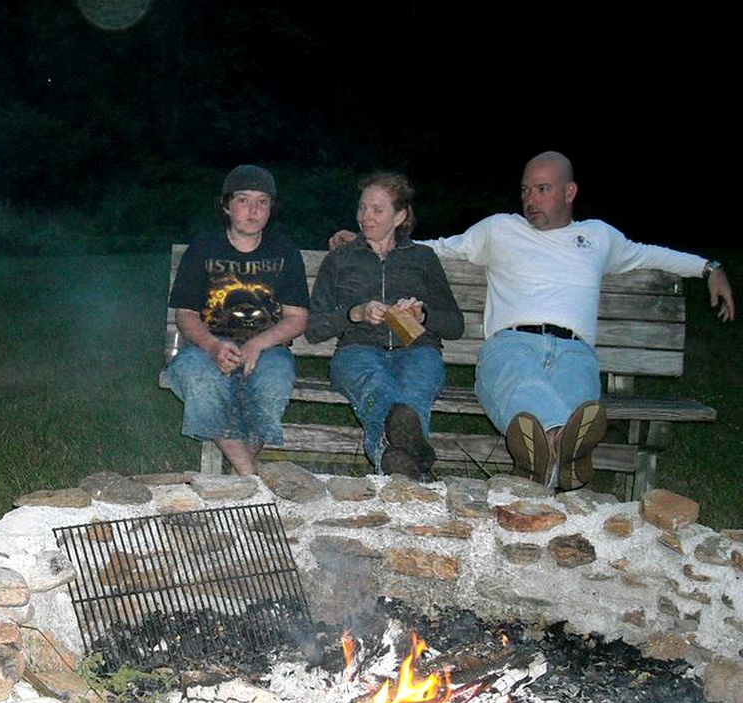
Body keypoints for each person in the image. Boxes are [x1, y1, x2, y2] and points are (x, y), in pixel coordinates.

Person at [332, 151, 735, 489]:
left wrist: (708, 268)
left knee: (577, 401)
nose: (531, 198)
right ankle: (564, 451)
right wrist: (369, 239)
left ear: (569, 192)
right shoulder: (499, 229)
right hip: (512, 346)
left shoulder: (598, 237)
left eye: (542, 189)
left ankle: (545, 457)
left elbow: (649, 254)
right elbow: (435, 248)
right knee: (528, 388)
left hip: (575, 351)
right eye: (526, 189)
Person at [308, 172, 463, 479]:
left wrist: (424, 315)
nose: (366, 217)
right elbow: (314, 328)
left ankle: (394, 466)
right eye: (362, 208)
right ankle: (415, 463)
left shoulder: (422, 258)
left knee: (411, 396)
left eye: (377, 210)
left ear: (400, 216)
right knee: (379, 389)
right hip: (358, 350)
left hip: (418, 350)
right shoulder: (340, 259)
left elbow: (455, 325)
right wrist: (354, 314)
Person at [166, 164, 309, 475]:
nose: (253, 210)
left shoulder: (284, 251)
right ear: (226, 206)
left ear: (271, 208)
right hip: (206, 347)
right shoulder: (204, 248)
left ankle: (242, 472)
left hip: (268, 348)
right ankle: (249, 474)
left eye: (262, 201)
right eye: (244, 200)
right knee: (202, 380)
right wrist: (213, 346)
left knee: (273, 382)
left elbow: (297, 318)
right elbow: (186, 315)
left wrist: (259, 343)